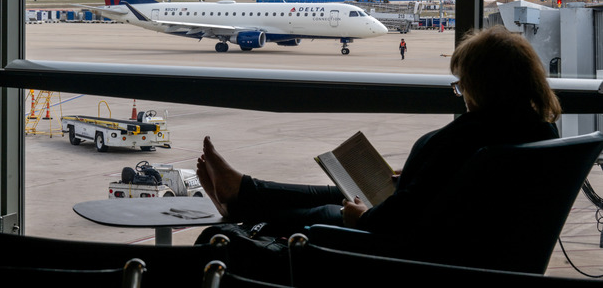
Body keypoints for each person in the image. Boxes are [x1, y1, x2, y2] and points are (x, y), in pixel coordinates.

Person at [196, 25, 561, 239]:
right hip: (465, 246)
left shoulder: (460, 138)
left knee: (326, 206)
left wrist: (361, 218)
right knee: (339, 188)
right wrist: (417, 176)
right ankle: (242, 190)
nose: (461, 93)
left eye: (462, 84)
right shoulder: (541, 135)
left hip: (396, 251)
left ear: (480, 86)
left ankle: (239, 210)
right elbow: (459, 192)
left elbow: (392, 223)